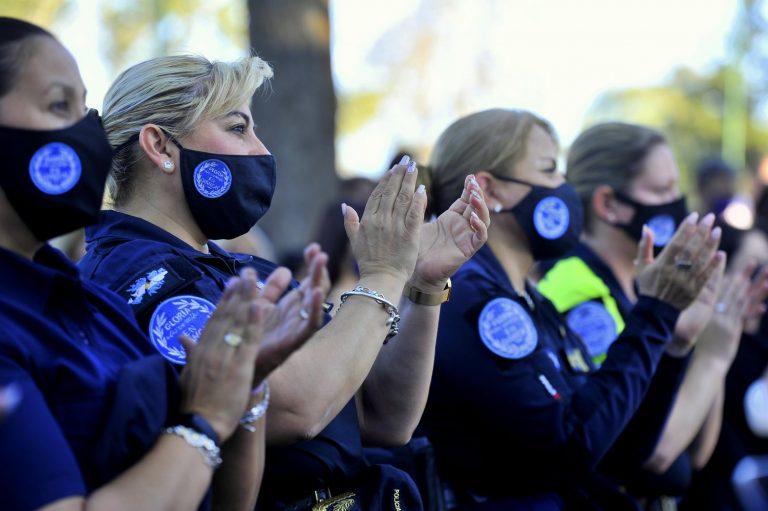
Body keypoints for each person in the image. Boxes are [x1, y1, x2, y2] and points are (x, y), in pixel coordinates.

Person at [77, 53, 490, 509]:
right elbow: (296, 409)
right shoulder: (141, 277)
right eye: (238, 128)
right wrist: (384, 275)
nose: (261, 151)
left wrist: (423, 286)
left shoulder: (245, 270)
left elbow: (384, 417)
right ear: (160, 146)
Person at [0, 17, 319, 511]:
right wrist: (206, 419)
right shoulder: (121, 281)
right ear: (159, 146)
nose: (89, 133)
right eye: (59, 105)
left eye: (84, 109)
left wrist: (244, 392)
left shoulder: (92, 306)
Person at [416, 108, 722, 509]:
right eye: (549, 170)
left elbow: (620, 451)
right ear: (490, 191)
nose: (564, 186)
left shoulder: (528, 298)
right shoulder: (473, 297)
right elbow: (571, 444)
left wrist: (674, 342)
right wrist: (655, 313)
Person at [537, 121, 768, 509]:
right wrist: (711, 357)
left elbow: (695, 453)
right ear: (608, 204)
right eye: (661, 191)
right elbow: (651, 455)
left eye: (676, 189)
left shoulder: (640, 286)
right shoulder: (577, 293)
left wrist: (710, 342)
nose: (676, 204)